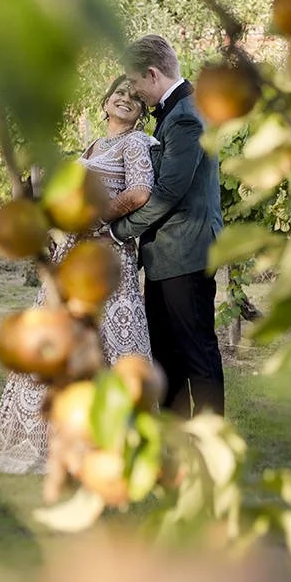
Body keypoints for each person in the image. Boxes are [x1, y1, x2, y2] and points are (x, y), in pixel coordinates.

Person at [0, 76, 155, 475]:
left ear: (142, 112)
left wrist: (95, 220)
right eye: (119, 94)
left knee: (112, 345)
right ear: (105, 102)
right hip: (71, 256)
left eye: (134, 98)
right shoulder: (93, 146)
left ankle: (122, 446)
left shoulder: (136, 143)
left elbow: (140, 193)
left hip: (106, 255)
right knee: (59, 338)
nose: (125, 100)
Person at [110, 35, 225, 418]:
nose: (136, 92)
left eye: (136, 82)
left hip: (185, 253)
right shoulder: (177, 112)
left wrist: (117, 231)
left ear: (152, 73)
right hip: (167, 257)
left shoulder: (187, 116)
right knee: (167, 353)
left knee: (196, 352)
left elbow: (167, 193)